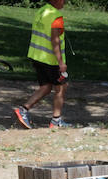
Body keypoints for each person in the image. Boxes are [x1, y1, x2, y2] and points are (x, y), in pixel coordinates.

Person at [14, 0, 71, 129]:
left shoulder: (42, 11)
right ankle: (56, 120)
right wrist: (61, 62)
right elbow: (55, 41)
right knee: (61, 87)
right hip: (50, 60)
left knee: (46, 86)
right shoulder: (56, 16)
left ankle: (23, 110)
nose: (65, 2)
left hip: (37, 55)